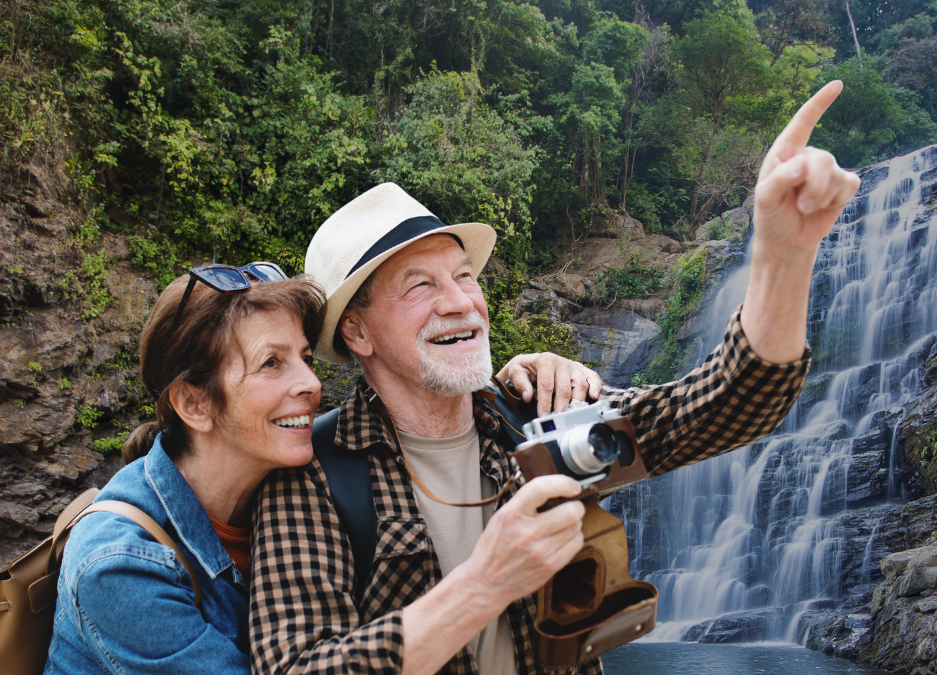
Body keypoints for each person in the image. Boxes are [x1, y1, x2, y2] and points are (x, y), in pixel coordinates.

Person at [248, 80, 860, 675]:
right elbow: (299, 665)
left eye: (465, 276)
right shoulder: (311, 478)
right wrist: (486, 583)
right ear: (357, 333)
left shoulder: (536, 415)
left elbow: (731, 403)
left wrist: (783, 256)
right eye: (421, 287)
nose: (461, 302)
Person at [41, 261, 596, 675]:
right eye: (271, 364)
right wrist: (487, 583)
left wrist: (506, 387)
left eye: (305, 357)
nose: (309, 384)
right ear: (194, 404)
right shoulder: (121, 566)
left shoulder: (281, 490)